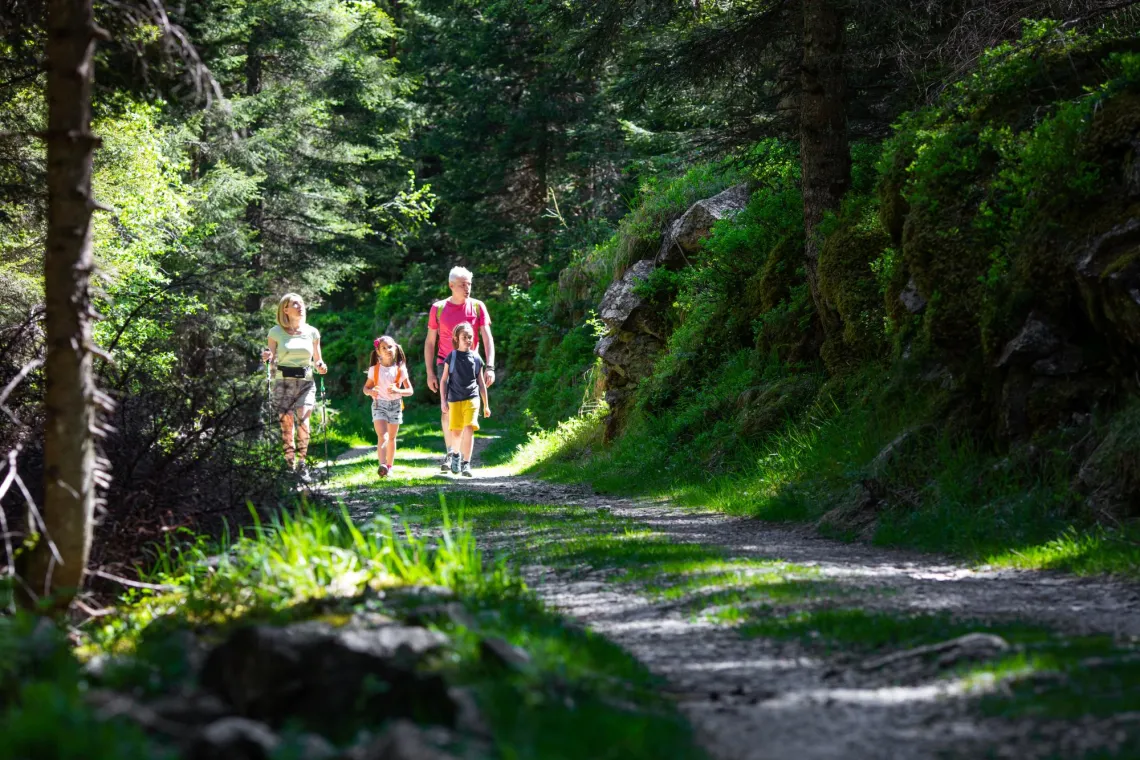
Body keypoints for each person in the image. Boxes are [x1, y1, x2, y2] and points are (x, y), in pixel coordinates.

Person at [424, 266, 496, 472]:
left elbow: (487, 337)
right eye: (463, 285)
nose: (467, 288)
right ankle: (450, 453)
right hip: (445, 363)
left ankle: (464, 459)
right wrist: (430, 372)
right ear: (451, 285)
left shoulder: (477, 306)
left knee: (468, 410)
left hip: (471, 364)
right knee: (447, 409)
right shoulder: (438, 308)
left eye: (469, 284)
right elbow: (430, 342)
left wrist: (489, 367)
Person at [261, 293, 328, 483]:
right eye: (295, 304)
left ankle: (302, 464)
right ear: (285, 309)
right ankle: (289, 465)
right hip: (283, 383)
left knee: (304, 423)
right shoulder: (275, 332)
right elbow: (271, 357)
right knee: (287, 427)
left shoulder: (312, 332)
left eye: (301, 303)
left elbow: (318, 359)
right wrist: (267, 356)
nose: (300, 306)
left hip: (306, 383)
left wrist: (321, 366)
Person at [437, 322, 490, 477]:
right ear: (456, 338)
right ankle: (455, 456)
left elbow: (480, 382)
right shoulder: (451, 357)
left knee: (469, 428)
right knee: (456, 432)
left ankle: (466, 464)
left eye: (470, 337)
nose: (468, 340)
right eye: (464, 337)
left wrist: (486, 405)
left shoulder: (476, 358)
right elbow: (444, 380)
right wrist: (443, 401)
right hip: (454, 399)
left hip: (472, 398)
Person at [363, 335, 413, 479]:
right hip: (379, 405)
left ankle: (389, 467)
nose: (387, 350)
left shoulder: (400, 370)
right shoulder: (374, 370)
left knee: (391, 438)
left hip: (395, 405)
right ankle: (382, 465)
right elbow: (365, 388)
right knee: (382, 436)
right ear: (378, 352)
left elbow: (410, 391)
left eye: (390, 347)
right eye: (383, 348)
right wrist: (370, 392)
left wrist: (398, 391)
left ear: (396, 348)